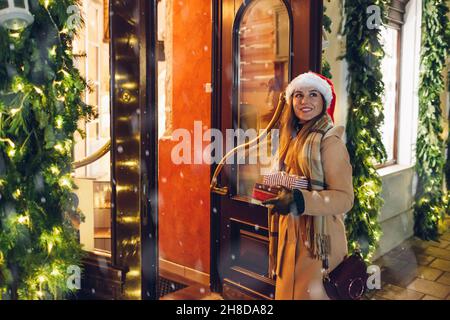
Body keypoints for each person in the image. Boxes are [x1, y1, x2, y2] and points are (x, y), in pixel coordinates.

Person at [262, 72, 354, 300]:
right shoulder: (290, 139)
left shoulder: (329, 142)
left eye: (313, 94)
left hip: (319, 245)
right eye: (298, 95)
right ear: (291, 101)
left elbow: (344, 198)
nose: (305, 101)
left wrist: (300, 201)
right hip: (288, 239)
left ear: (323, 101)